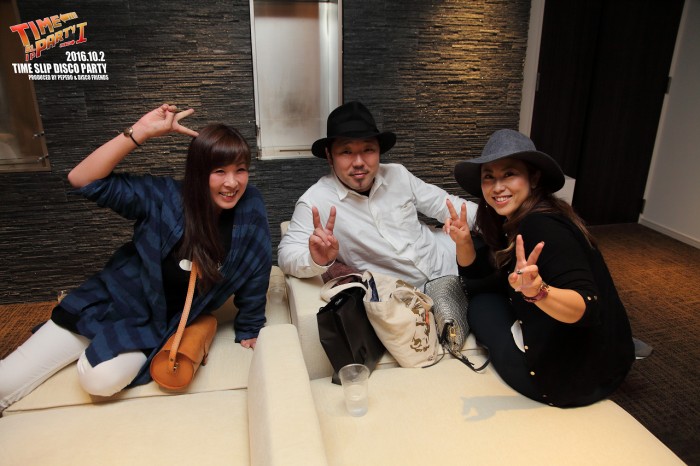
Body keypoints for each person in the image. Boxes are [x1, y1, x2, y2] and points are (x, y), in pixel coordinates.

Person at [0, 104, 271, 412]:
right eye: (219, 171)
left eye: (240, 170)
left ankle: (100, 346)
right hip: (104, 301)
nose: (232, 183)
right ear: (198, 173)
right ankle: (89, 340)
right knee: (5, 382)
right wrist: (139, 132)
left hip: (151, 325)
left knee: (99, 380)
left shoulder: (250, 208)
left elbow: (258, 265)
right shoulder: (164, 196)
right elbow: (82, 179)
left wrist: (250, 325)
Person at [444, 128, 635, 407]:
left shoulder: (541, 225)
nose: (497, 187)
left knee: (481, 307)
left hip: (568, 379)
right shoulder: (509, 218)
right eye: (489, 177)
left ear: (533, 178)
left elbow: (587, 306)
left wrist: (538, 292)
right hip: (601, 361)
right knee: (484, 296)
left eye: (509, 174)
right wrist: (463, 242)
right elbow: (478, 278)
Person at [278, 101, 477, 288]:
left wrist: (493, 220)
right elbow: (287, 254)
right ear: (330, 156)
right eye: (346, 152)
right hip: (413, 294)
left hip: (455, 259)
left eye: (368, 149)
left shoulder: (398, 174)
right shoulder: (315, 201)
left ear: (379, 151)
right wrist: (316, 260)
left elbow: (445, 205)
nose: (358, 162)